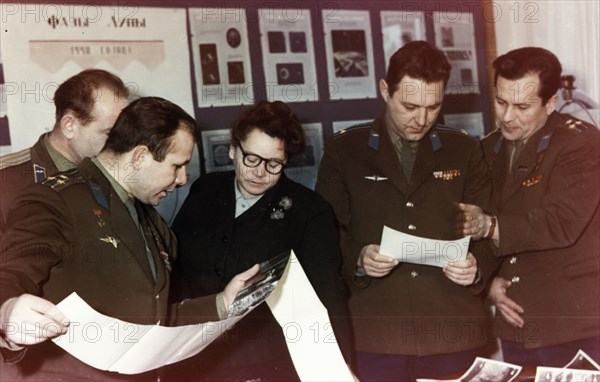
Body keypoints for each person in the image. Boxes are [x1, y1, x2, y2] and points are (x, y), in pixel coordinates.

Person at [0, 97, 259, 381]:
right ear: (140, 157)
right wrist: (7, 308)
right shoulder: (56, 199)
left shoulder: (148, 217)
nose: (183, 179)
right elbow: (13, 270)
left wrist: (222, 302)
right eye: (177, 165)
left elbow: (153, 317)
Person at [315, 41, 498, 381]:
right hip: (376, 333)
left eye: (433, 106)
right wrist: (358, 257)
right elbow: (324, 233)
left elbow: (487, 231)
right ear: (386, 90)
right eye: (410, 105)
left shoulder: (465, 149)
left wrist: (477, 268)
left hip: (453, 329)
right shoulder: (345, 149)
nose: (422, 119)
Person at [164, 100, 352, 381]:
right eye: (251, 158)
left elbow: (329, 297)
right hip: (194, 354)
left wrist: (340, 368)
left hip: (263, 361)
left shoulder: (310, 210)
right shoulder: (205, 190)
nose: (259, 172)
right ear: (232, 149)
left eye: (274, 163)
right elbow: (175, 269)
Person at [459, 47, 600, 367]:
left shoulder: (582, 144)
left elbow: (561, 222)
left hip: (573, 326)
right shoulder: (486, 149)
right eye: (501, 102)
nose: (508, 116)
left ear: (551, 103)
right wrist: (487, 282)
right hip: (515, 325)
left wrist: (491, 226)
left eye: (522, 106)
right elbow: (472, 232)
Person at [0, 69, 130, 231]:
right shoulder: (6, 180)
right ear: (69, 126)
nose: (120, 145)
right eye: (109, 133)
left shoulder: (116, 176)